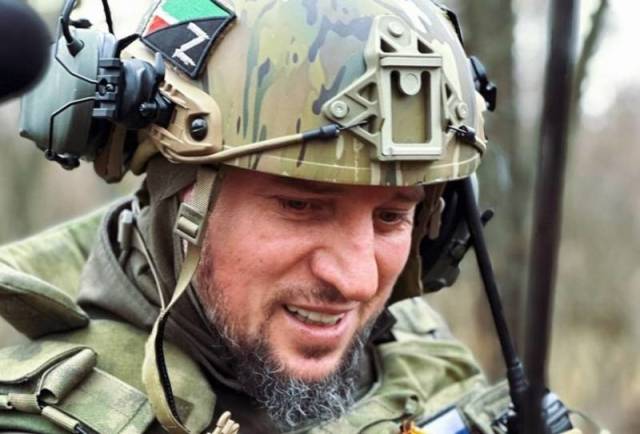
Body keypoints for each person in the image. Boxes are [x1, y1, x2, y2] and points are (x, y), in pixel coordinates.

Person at [0, 1, 582, 433]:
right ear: (178, 196)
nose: (356, 281)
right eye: (301, 206)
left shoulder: (419, 345)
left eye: (391, 217)